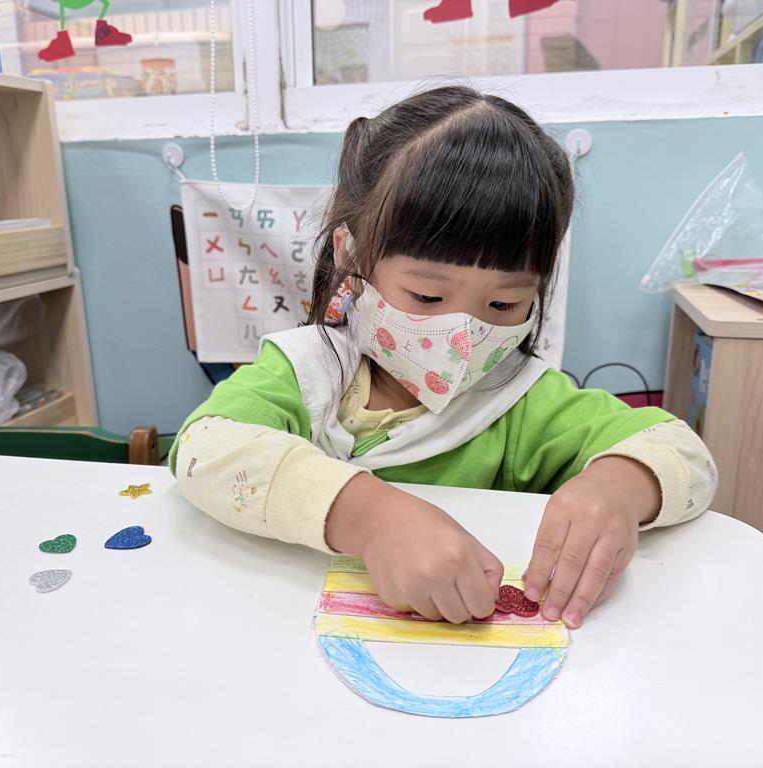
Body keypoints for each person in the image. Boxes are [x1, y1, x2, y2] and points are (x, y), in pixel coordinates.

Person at [170, 85, 716, 629]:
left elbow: (685, 454)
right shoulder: (307, 369)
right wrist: (368, 516)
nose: (462, 336)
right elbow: (202, 450)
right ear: (350, 256)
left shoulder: (521, 400)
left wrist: (620, 486)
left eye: (503, 304)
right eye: (427, 296)